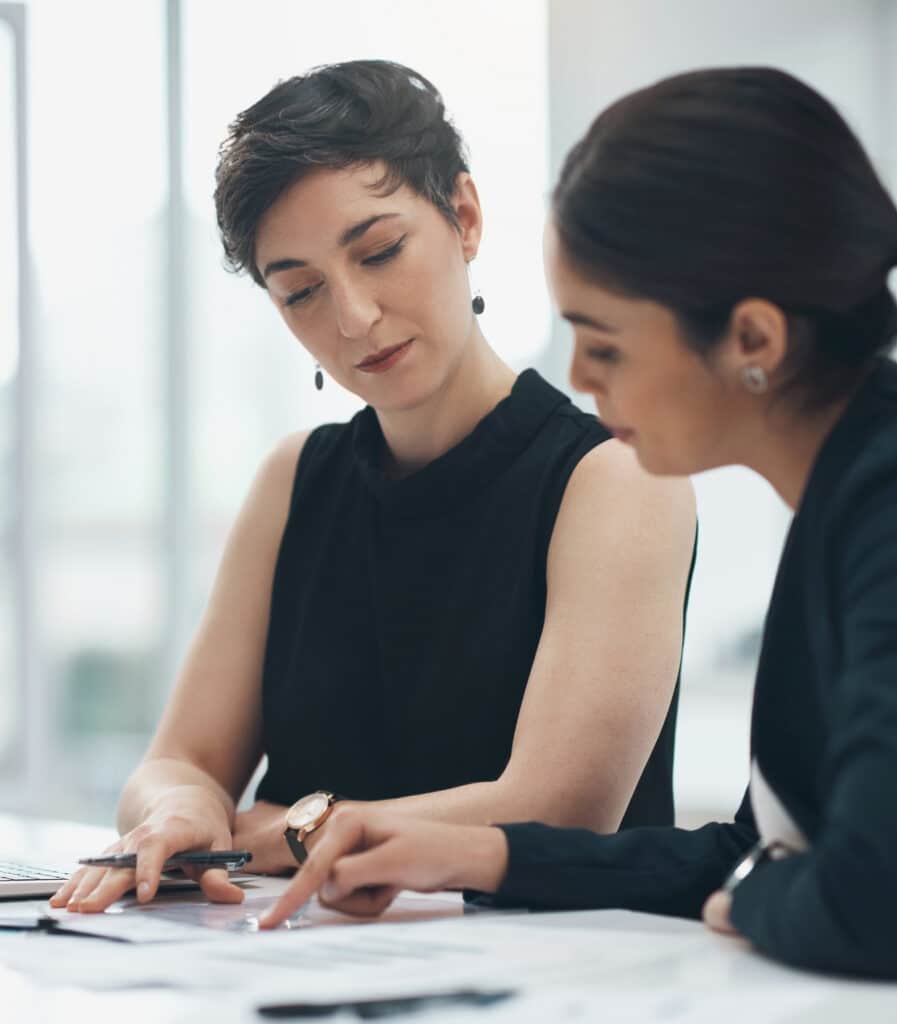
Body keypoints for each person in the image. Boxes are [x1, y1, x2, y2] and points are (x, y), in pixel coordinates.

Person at [257, 66, 897, 981]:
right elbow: (760, 848)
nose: (580, 376)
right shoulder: (857, 492)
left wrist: (750, 897)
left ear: (753, 341)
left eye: (606, 341)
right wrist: (476, 854)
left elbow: (891, 911)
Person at [50, 61, 696, 913]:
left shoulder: (615, 476)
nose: (352, 317)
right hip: (294, 968)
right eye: (302, 292)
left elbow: (558, 810)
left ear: (463, 218)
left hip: (549, 980)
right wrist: (181, 809)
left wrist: (278, 829)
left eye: (381, 251)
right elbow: (178, 762)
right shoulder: (294, 479)